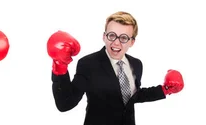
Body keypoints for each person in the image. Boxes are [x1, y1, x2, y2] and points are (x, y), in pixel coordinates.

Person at [47, 11, 185, 125]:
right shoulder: (88, 64)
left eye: (124, 37)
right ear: (104, 37)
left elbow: (132, 96)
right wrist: (60, 66)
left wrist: (165, 90)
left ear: (132, 42)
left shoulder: (137, 64)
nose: (116, 42)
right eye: (112, 35)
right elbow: (65, 104)